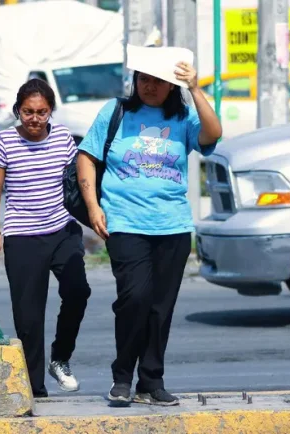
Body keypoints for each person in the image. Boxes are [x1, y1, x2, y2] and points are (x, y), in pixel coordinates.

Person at [76, 60, 222, 406]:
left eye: (158, 81)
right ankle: (122, 377)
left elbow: (212, 135)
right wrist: (93, 206)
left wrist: (196, 89)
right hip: (125, 223)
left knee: (160, 308)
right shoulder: (116, 112)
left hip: (172, 227)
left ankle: (151, 381)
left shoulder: (182, 118)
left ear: (171, 86)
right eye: (143, 79)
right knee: (135, 299)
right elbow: (87, 156)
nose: (149, 86)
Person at [0, 78, 91, 398]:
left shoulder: (62, 138)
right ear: (18, 110)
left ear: (50, 112)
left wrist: (95, 214)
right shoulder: (4, 142)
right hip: (23, 236)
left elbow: (78, 180)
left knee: (78, 291)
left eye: (41, 112)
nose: (34, 119)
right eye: (28, 112)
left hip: (62, 229)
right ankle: (36, 388)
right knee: (29, 318)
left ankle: (60, 358)